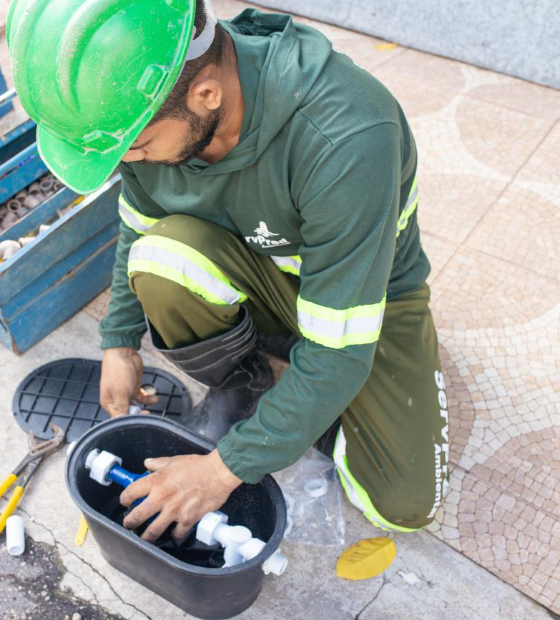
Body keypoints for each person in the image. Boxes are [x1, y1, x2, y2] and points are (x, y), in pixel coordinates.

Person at [8, 0, 449, 543]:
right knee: (159, 256)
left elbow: (337, 349)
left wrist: (221, 471)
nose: (133, 159)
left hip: (363, 298)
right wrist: (118, 344)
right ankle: (261, 381)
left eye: (139, 145)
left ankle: (307, 393)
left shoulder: (348, 136)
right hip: (258, 272)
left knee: (405, 506)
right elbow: (138, 226)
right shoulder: (143, 105)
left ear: (207, 94)